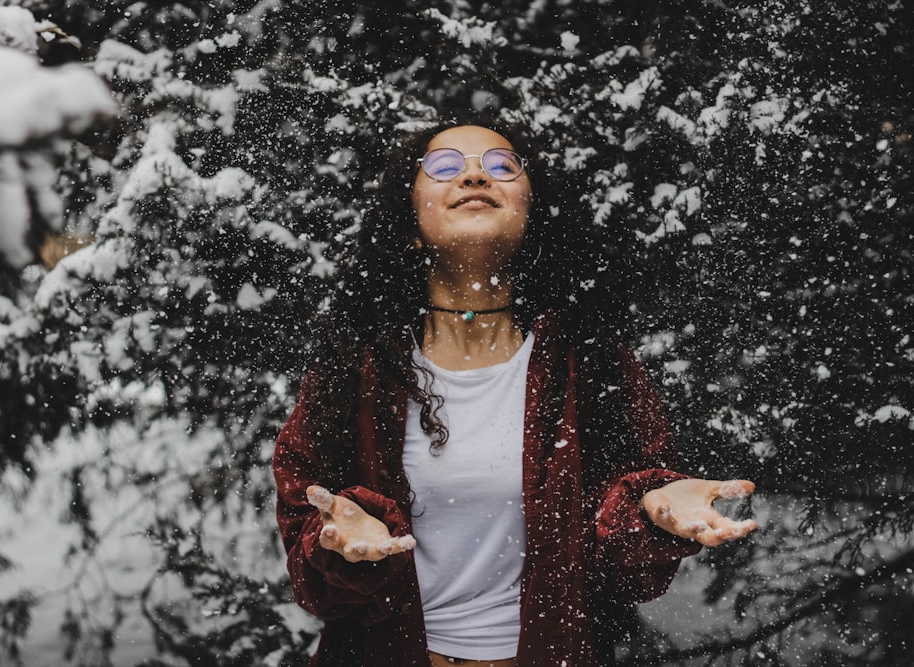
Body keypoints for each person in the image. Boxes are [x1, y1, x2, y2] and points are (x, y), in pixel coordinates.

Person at [273, 120, 757, 667]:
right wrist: (338, 541)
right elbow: (315, 580)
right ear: (408, 221)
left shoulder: (589, 362)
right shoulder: (358, 370)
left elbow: (621, 574)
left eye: (502, 165)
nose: (476, 174)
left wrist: (649, 510)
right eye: (445, 167)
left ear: (531, 215)